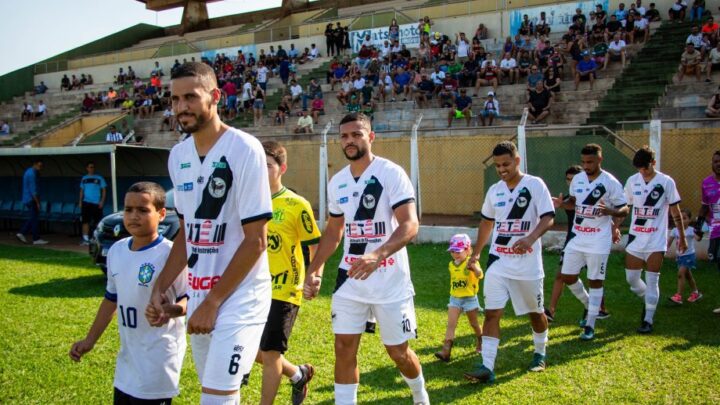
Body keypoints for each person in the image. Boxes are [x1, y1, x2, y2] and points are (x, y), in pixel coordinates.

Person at [148, 62, 273, 405]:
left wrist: (215, 302)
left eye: (190, 96)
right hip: (201, 294)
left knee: (216, 398)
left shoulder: (244, 149)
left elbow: (256, 241)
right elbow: (188, 234)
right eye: (175, 99)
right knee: (218, 394)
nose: (181, 107)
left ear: (215, 96)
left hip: (240, 296)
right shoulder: (178, 156)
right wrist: (161, 287)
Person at [303, 112, 429, 405]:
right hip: (350, 279)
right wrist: (314, 269)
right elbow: (334, 232)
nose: (349, 141)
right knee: (344, 346)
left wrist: (377, 254)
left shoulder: (390, 173)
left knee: (397, 351)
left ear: (370, 137)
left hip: (389, 279)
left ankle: (420, 396)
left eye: (356, 134)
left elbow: (410, 225)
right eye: (344, 136)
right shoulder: (337, 182)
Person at [70, 182, 188, 404]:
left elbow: (189, 298)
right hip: (127, 361)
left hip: (158, 360)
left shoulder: (171, 255)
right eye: (128, 209)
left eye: (143, 210)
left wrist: (170, 310)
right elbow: (110, 300)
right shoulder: (117, 250)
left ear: (161, 214)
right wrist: (90, 340)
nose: (134, 216)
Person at [463, 141, 554, 383]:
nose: (502, 169)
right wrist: (476, 253)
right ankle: (487, 366)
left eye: (506, 164)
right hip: (499, 261)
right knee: (492, 313)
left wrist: (531, 237)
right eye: (497, 166)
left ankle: (540, 353)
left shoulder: (535, 185)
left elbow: (549, 217)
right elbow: (487, 223)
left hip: (527, 265)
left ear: (517, 161)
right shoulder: (495, 191)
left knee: (535, 313)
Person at [252, 141, 320, 405]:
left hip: (284, 288)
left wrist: (315, 275)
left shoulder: (296, 203)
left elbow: (314, 244)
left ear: (282, 168)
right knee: (248, 348)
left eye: (268, 165)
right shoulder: (246, 201)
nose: (261, 170)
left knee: (270, 353)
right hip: (250, 287)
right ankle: (297, 374)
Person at [553, 144, 628, 340]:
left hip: (598, 239)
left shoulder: (610, 182)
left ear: (599, 160)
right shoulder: (577, 179)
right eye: (584, 162)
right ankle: (590, 305)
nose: (586, 166)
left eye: (590, 162)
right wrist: (563, 204)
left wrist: (610, 212)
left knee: (595, 280)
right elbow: (574, 202)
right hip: (577, 237)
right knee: (567, 276)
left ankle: (590, 324)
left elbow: (624, 208)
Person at [624, 146, 686, 334]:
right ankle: (648, 300)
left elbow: (676, 212)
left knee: (652, 280)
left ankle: (648, 319)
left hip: (656, 240)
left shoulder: (666, 182)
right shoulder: (632, 181)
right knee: (632, 280)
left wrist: (682, 237)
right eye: (639, 169)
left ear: (653, 163)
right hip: (635, 237)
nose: (643, 172)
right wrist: (614, 225)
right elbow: (625, 207)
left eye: (646, 168)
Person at [434, 234, 484, 362]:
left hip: (470, 299)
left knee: (474, 323)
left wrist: (474, 268)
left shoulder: (471, 263)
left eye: (458, 251)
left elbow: (480, 274)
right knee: (451, 324)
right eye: (452, 251)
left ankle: (481, 340)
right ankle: (446, 351)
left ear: (468, 250)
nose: (455, 254)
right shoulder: (451, 265)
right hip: (455, 298)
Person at [697, 151, 720, 313]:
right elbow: (704, 206)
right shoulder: (707, 183)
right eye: (716, 161)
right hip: (716, 231)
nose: (718, 164)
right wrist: (698, 227)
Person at [667, 208, 703, 304]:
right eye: (679, 218)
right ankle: (696, 292)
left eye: (684, 218)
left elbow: (698, 238)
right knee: (688, 276)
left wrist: (700, 232)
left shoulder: (691, 230)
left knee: (680, 274)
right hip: (680, 257)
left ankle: (678, 296)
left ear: (689, 220)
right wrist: (663, 251)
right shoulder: (674, 230)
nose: (682, 221)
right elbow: (668, 242)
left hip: (689, 256)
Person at [16, 159, 48, 245]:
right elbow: (33, 190)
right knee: (34, 218)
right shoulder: (31, 174)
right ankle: (28, 235)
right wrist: (37, 202)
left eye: (41, 166)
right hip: (31, 199)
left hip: (28, 199)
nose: (40, 168)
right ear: (34, 164)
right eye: (39, 166)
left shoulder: (29, 172)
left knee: (34, 218)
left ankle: (33, 237)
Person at [78, 162, 107, 246]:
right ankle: (85, 239)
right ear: (87, 168)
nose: (92, 169)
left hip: (96, 203)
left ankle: (96, 238)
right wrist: (80, 201)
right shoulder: (84, 178)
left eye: (93, 167)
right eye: (90, 167)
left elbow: (104, 190)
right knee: (85, 221)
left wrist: (102, 201)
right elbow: (81, 190)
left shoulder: (99, 178)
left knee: (97, 221)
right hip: (86, 202)